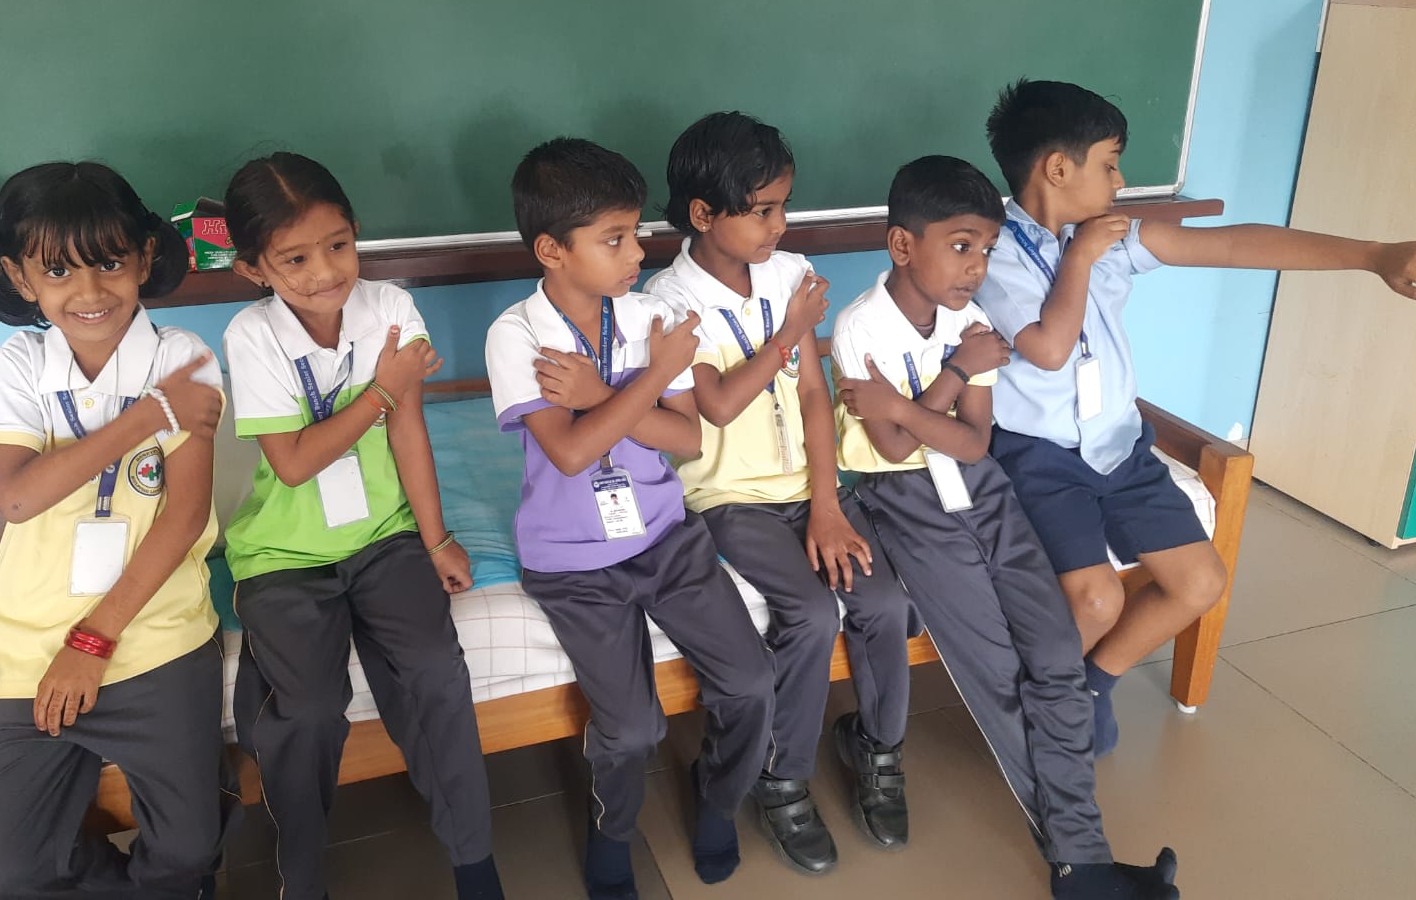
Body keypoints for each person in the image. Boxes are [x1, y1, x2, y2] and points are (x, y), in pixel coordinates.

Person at [979, 79, 1416, 757]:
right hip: (1041, 456)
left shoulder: (1110, 235)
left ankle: (1091, 684)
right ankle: (1038, 701)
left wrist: (1374, 257)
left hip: (1118, 446)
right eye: (1110, 164)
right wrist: (1082, 257)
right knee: (1096, 600)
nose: (1121, 181)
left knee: (1201, 582)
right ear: (1059, 168)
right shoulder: (993, 253)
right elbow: (1048, 350)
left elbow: (1235, 245)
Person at [834, 155, 1180, 899]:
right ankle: (1080, 863)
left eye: (987, 249)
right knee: (1000, 676)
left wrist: (910, 402)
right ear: (902, 245)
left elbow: (973, 443)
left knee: (1055, 656)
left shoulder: (973, 324)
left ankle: (1082, 861)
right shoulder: (860, 326)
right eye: (962, 246)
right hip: (905, 501)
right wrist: (954, 376)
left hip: (984, 490)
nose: (977, 267)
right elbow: (890, 449)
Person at [484, 137, 775, 900]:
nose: (637, 252)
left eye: (635, 232)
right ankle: (612, 831)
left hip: (666, 537)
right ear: (552, 249)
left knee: (751, 683)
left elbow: (686, 438)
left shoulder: (652, 313)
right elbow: (572, 453)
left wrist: (598, 394)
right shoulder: (517, 334)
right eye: (613, 239)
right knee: (633, 728)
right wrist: (652, 376)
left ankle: (718, 797)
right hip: (572, 562)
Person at [221, 152, 502, 900]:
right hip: (285, 555)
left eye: (338, 245)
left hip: (385, 534)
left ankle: (474, 860)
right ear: (253, 269)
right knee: (309, 709)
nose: (325, 271)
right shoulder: (251, 333)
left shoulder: (391, 307)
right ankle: (303, 872)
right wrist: (382, 389)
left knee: (434, 671)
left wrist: (436, 538)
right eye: (295, 258)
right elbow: (293, 464)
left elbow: (409, 429)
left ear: (356, 234)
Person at [646, 112, 916, 875]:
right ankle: (781, 776)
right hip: (729, 498)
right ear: (703, 213)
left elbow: (813, 398)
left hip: (809, 487)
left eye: (782, 206)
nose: (779, 225)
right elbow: (716, 405)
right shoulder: (667, 301)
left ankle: (878, 748)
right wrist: (787, 331)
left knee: (883, 602)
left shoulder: (790, 271)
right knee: (809, 611)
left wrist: (827, 503)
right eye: (761, 210)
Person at [0, 161, 231, 900]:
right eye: (58, 270)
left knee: (190, 849)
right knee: (7, 878)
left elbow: (183, 517)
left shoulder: (180, 358)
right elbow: (17, 499)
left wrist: (93, 643)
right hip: (33, 642)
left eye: (109, 262)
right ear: (19, 278)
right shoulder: (20, 364)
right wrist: (149, 416)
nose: (89, 291)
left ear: (144, 257)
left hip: (153, 633)